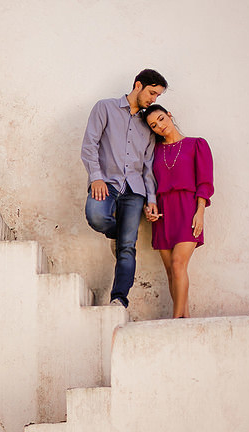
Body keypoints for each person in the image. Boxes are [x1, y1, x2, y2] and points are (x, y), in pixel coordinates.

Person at [81, 69, 167, 308]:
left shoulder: (147, 124)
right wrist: (96, 177)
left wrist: (151, 199)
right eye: (151, 93)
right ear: (137, 85)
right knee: (96, 216)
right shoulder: (105, 108)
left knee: (127, 247)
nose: (153, 99)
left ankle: (119, 298)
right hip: (106, 182)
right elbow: (89, 145)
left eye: (157, 96)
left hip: (135, 191)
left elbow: (148, 166)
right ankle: (116, 234)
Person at [140, 104, 214, 318]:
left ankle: (176, 319)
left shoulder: (197, 145)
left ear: (169, 115)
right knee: (172, 272)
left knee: (178, 263)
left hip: (188, 209)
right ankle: (185, 317)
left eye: (161, 119)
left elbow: (205, 182)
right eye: (154, 125)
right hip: (163, 212)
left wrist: (200, 212)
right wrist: (149, 206)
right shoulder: (154, 152)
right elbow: (149, 182)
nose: (160, 126)